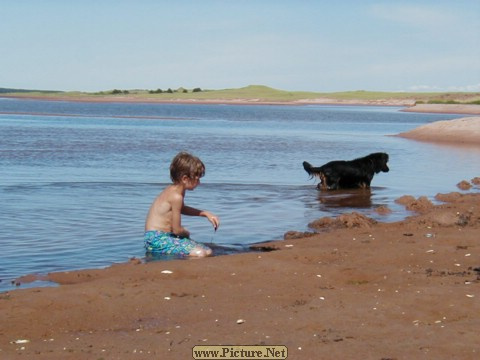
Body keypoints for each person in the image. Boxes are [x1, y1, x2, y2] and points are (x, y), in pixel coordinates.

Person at [144, 152, 220, 257]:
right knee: (200, 253)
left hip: (167, 236)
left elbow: (181, 209)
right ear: (185, 179)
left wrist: (205, 213)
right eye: (197, 179)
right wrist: (186, 233)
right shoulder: (176, 196)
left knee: (208, 251)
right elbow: (177, 230)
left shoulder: (176, 190)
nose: (199, 183)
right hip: (156, 238)